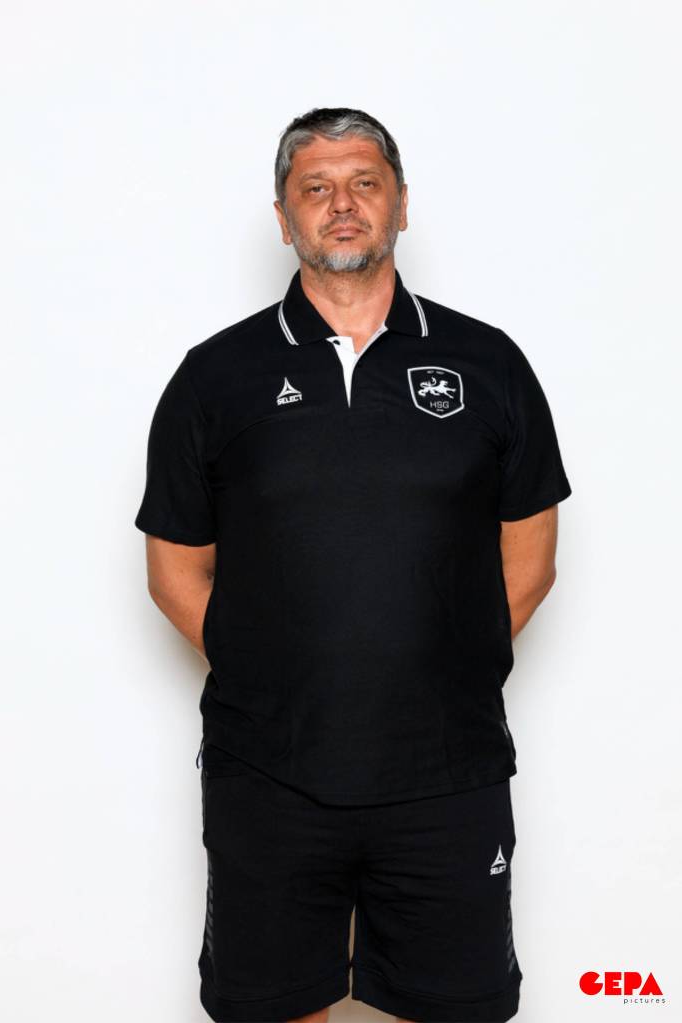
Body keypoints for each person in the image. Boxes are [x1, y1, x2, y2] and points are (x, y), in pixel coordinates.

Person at [134, 106, 572, 1023]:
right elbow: (174, 571)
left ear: (401, 205)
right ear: (283, 217)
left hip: (447, 769)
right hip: (268, 771)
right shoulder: (215, 377)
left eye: (364, 183)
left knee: (450, 1007)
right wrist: (276, 677)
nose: (342, 204)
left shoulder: (487, 363)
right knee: (273, 1008)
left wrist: (436, 668)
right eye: (316, 188)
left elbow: (529, 560)